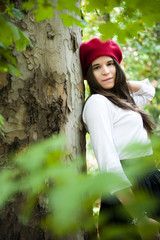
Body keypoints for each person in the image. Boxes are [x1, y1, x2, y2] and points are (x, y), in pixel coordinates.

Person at [79, 38, 160, 240]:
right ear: (88, 75)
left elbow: (147, 90)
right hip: (130, 191)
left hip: (150, 182)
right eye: (96, 67)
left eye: (110, 64)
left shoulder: (120, 101)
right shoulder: (98, 103)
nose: (105, 71)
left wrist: (120, 82)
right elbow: (109, 164)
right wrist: (139, 218)